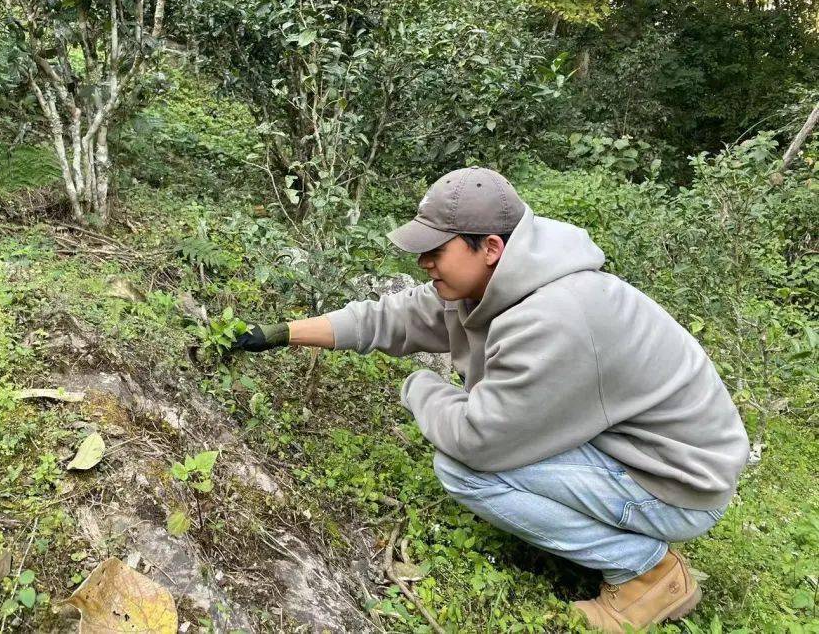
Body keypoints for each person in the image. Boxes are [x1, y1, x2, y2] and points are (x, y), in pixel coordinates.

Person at [232, 167, 750, 633]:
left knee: (465, 470)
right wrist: (276, 333)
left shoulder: (556, 315)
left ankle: (646, 571)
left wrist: (418, 388)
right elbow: (389, 318)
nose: (424, 261)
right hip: (635, 450)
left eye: (437, 250)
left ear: (491, 248)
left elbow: (478, 441)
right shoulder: (490, 283)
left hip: (679, 481)